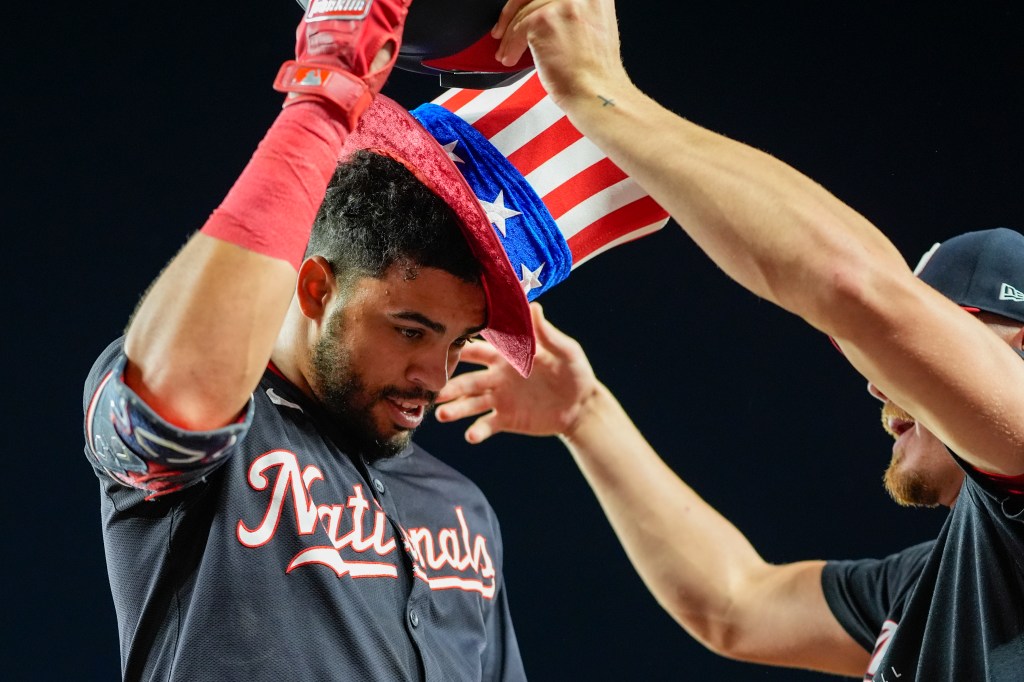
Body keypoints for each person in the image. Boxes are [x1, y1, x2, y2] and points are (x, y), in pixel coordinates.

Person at [434, 1, 1024, 680]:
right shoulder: (931, 585)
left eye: (942, 331)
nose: (882, 377)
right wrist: (584, 413)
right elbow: (734, 604)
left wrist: (602, 95)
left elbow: (856, 291)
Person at [81, 4, 534, 680]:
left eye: (460, 341)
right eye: (411, 330)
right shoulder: (225, 438)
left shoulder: (464, 508)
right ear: (317, 289)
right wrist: (323, 99)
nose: (434, 377)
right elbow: (172, 398)